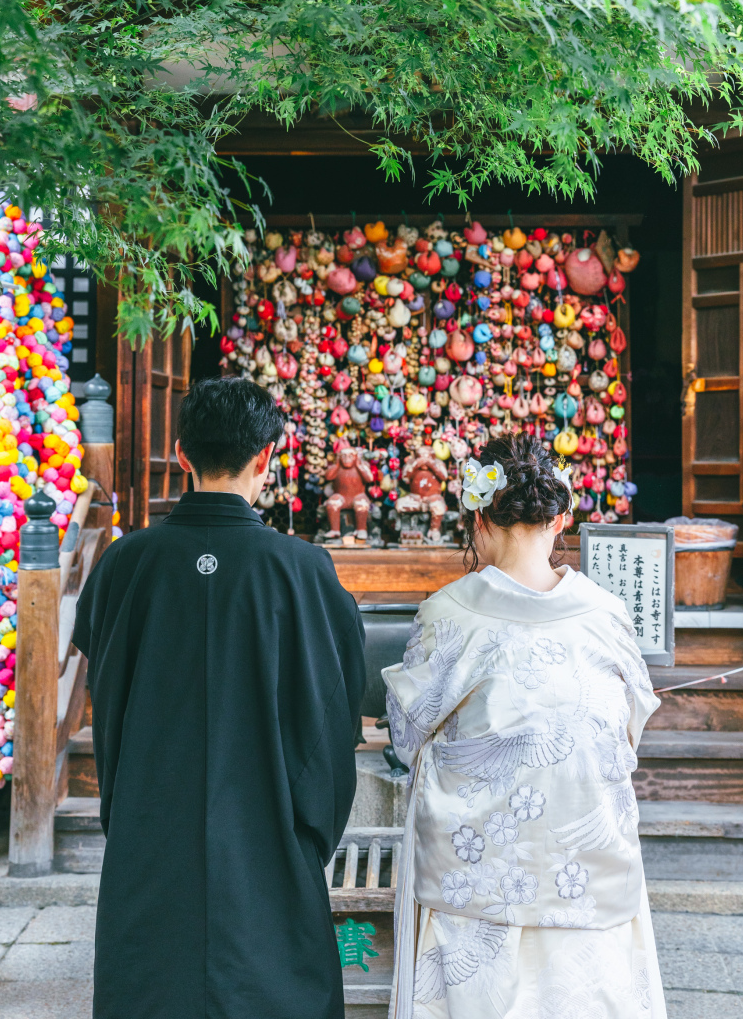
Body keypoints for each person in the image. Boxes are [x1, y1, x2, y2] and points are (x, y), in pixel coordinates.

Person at [73, 377, 365, 1019]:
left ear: (182, 454)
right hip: (269, 829)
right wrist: (310, 830)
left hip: (150, 822)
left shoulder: (125, 562)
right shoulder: (302, 568)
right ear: (266, 456)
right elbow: (334, 710)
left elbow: (106, 688)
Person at [383, 433, 665, 1019]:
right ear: (561, 520)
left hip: (474, 881)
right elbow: (629, 734)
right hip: (587, 879)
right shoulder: (606, 616)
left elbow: (407, 739)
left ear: (479, 518)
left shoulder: (448, 613)